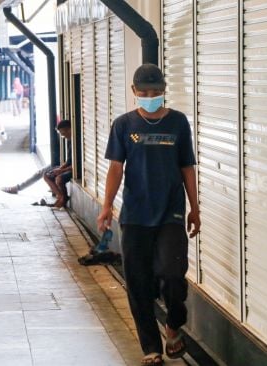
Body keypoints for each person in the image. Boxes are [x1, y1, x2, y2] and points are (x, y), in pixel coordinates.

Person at [96, 64, 200, 365]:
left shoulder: (178, 122)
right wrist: (106, 206)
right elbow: (116, 168)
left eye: (155, 92)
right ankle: (151, 348)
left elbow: (186, 167)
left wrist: (195, 207)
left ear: (164, 90)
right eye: (144, 93)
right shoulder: (124, 125)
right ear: (134, 92)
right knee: (138, 282)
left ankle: (172, 325)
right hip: (135, 215)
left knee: (172, 273)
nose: (150, 97)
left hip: (171, 213)